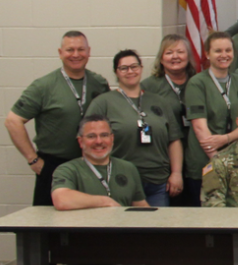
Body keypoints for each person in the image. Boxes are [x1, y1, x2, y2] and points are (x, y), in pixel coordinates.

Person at [7, 31, 109, 206]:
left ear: (89, 51)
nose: (76, 55)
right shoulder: (43, 86)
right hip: (54, 166)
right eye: (70, 50)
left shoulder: (99, 83)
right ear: (60, 52)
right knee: (49, 224)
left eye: (80, 49)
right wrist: (33, 159)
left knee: (91, 222)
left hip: (91, 164)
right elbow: (12, 121)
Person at [85, 50, 183, 207]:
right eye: (124, 68)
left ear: (141, 68)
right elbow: (86, 140)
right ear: (116, 72)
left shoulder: (159, 102)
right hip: (119, 181)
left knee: (157, 228)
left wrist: (176, 173)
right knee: (122, 228)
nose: (130, 71)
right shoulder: (103, 103)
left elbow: (174, 140)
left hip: (157, 182)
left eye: (134, 66)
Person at [184, 32, 238, 207]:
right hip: (205, 162)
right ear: (207, 54)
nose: (224, 55)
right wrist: (218, 162)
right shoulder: (197, 83)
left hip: (237, 163)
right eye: (218, 51)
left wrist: (226, 138)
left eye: (228, 50)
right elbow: (200, 128)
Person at [141, 35, 196, 206]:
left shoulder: (199, 82)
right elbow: (143, 124)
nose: (175, 57)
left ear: (188, 56)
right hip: (165, 159)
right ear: (161, 59)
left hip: (195, 156)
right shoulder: (148, 87)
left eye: (180, 52)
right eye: (169, 52)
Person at [51, 115, 150, 210]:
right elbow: (61, 199)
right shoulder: (68, 170)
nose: (99, 141)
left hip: (122, 225)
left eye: (104, 135)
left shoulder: (128, 168)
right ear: (80, 141)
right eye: (91, 136)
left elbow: (140, 206)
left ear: (112, 139)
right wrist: (105, 201)